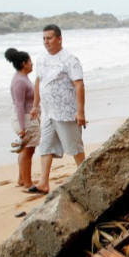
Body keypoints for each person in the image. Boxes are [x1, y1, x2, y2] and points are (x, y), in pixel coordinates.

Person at [31, 24, 86, 194]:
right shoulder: (41, 59)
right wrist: (35, 105)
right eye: (44, 39)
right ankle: (43, 183)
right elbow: (39, 82)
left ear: (59, 39)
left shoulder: (70, 59)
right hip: (48, 112)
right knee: (45, 146)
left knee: (74, 147)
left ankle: (86, 177)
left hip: (66, 112)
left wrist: (80, 111)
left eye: (49, 38)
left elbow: (79, 84)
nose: (46, 42)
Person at [4, 48, 40, 189]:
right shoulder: (19, 81)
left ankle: (21, 179)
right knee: (28, 150)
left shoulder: (23, 78)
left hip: (27, 118)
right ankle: (27, 183)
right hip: (24, 118)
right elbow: (19, 105)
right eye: (30, 61)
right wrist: (22, 127)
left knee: (27, 149)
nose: (32, 64)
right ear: (24, 63)